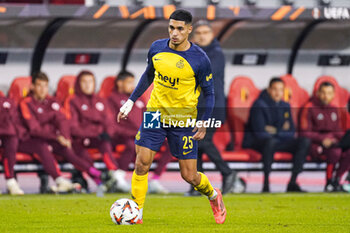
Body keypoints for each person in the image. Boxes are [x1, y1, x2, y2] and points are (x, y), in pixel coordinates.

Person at [118, 10, 226, 224]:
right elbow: (149, 74)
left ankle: (214, 195)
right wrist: (130, 101)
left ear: (189, 30)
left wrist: (203, 121)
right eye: (171, 28)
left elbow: (210, 92)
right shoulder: (157, 47)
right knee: (142, 163)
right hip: (155, 114)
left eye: (179, 29)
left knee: (190, 176)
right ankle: (136, 212)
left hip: (183, 120)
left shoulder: (200, 59)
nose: (174, 33)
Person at [18, 72, 97, 193]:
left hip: (51, 138)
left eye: (45, 86)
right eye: (39, 86)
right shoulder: (26, 103)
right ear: (32, 87)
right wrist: (56, 136)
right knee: (42, 147)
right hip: (28, 140)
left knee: (67, 149)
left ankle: (96, 174)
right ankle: (60, 180)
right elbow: (34, 129)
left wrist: (65, 137)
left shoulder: (52, 102)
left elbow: (63, 121)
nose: (43, 89)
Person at [184, 20, 236, 196]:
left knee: (203, 141)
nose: (202, 35)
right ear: (193, 36)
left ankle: (228, 172)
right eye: (199, 33)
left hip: (213, 107)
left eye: (206, 32)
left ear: (212, 35)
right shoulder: (192, 52)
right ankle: (197, 183)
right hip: (196, 107)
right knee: (195, 144)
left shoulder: (216, 53)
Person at [107, 70, 172, 194]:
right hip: (124, 136)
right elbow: (113, 124)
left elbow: (148, 115)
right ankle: (119, 176)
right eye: (129, 82)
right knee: (132, 145)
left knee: (171, 143)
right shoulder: (112, 99)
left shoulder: (138, 97)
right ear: (120, 83)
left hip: (143, 134)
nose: (133, 85)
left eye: (133, 82)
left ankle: (155, 179)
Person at [242, 77, 310, 193]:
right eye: (275, 89)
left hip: (278, 141)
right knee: (270, 142)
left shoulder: (285, 106)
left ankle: (292, 183)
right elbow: (260, 132)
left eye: (281, 90)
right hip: (258, 142)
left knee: (304, 141)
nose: (278, 93)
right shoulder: (259, 104)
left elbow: (291, 131)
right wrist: (281, 131)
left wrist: (274, 131)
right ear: (269, 89)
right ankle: (266, 185)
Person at [66, 70, 128, 192]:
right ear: (78, 84)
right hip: (80, 139)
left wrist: (107, 134)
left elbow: (110, 121)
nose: (88, 85)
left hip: (98, 138)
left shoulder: (100, 100)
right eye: (84, 82)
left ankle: (115, 175)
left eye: (90, 81)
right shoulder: (72, 101)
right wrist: (94, 133)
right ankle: (100, 181)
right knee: (81, 152)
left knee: (106, 143)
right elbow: (72, 126)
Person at [300, 82, 350, 192]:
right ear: (318, 93)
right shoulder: (309, 108)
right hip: (315, 144)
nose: (326, 96)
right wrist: (322, 139)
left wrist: (343, 138)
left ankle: (337, 180)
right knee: (335, 152)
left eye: (329, 93)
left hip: (332, 143)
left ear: (333, 95)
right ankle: (328, 182)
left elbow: (338, 130)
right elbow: (304, 132)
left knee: (348, 151)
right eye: (323, 92)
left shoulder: (334, 109)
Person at [0, 95, 24, 195]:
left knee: (12, 140)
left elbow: (15, 121)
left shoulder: (6, 101)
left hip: (6, 134)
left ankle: (11, 181)